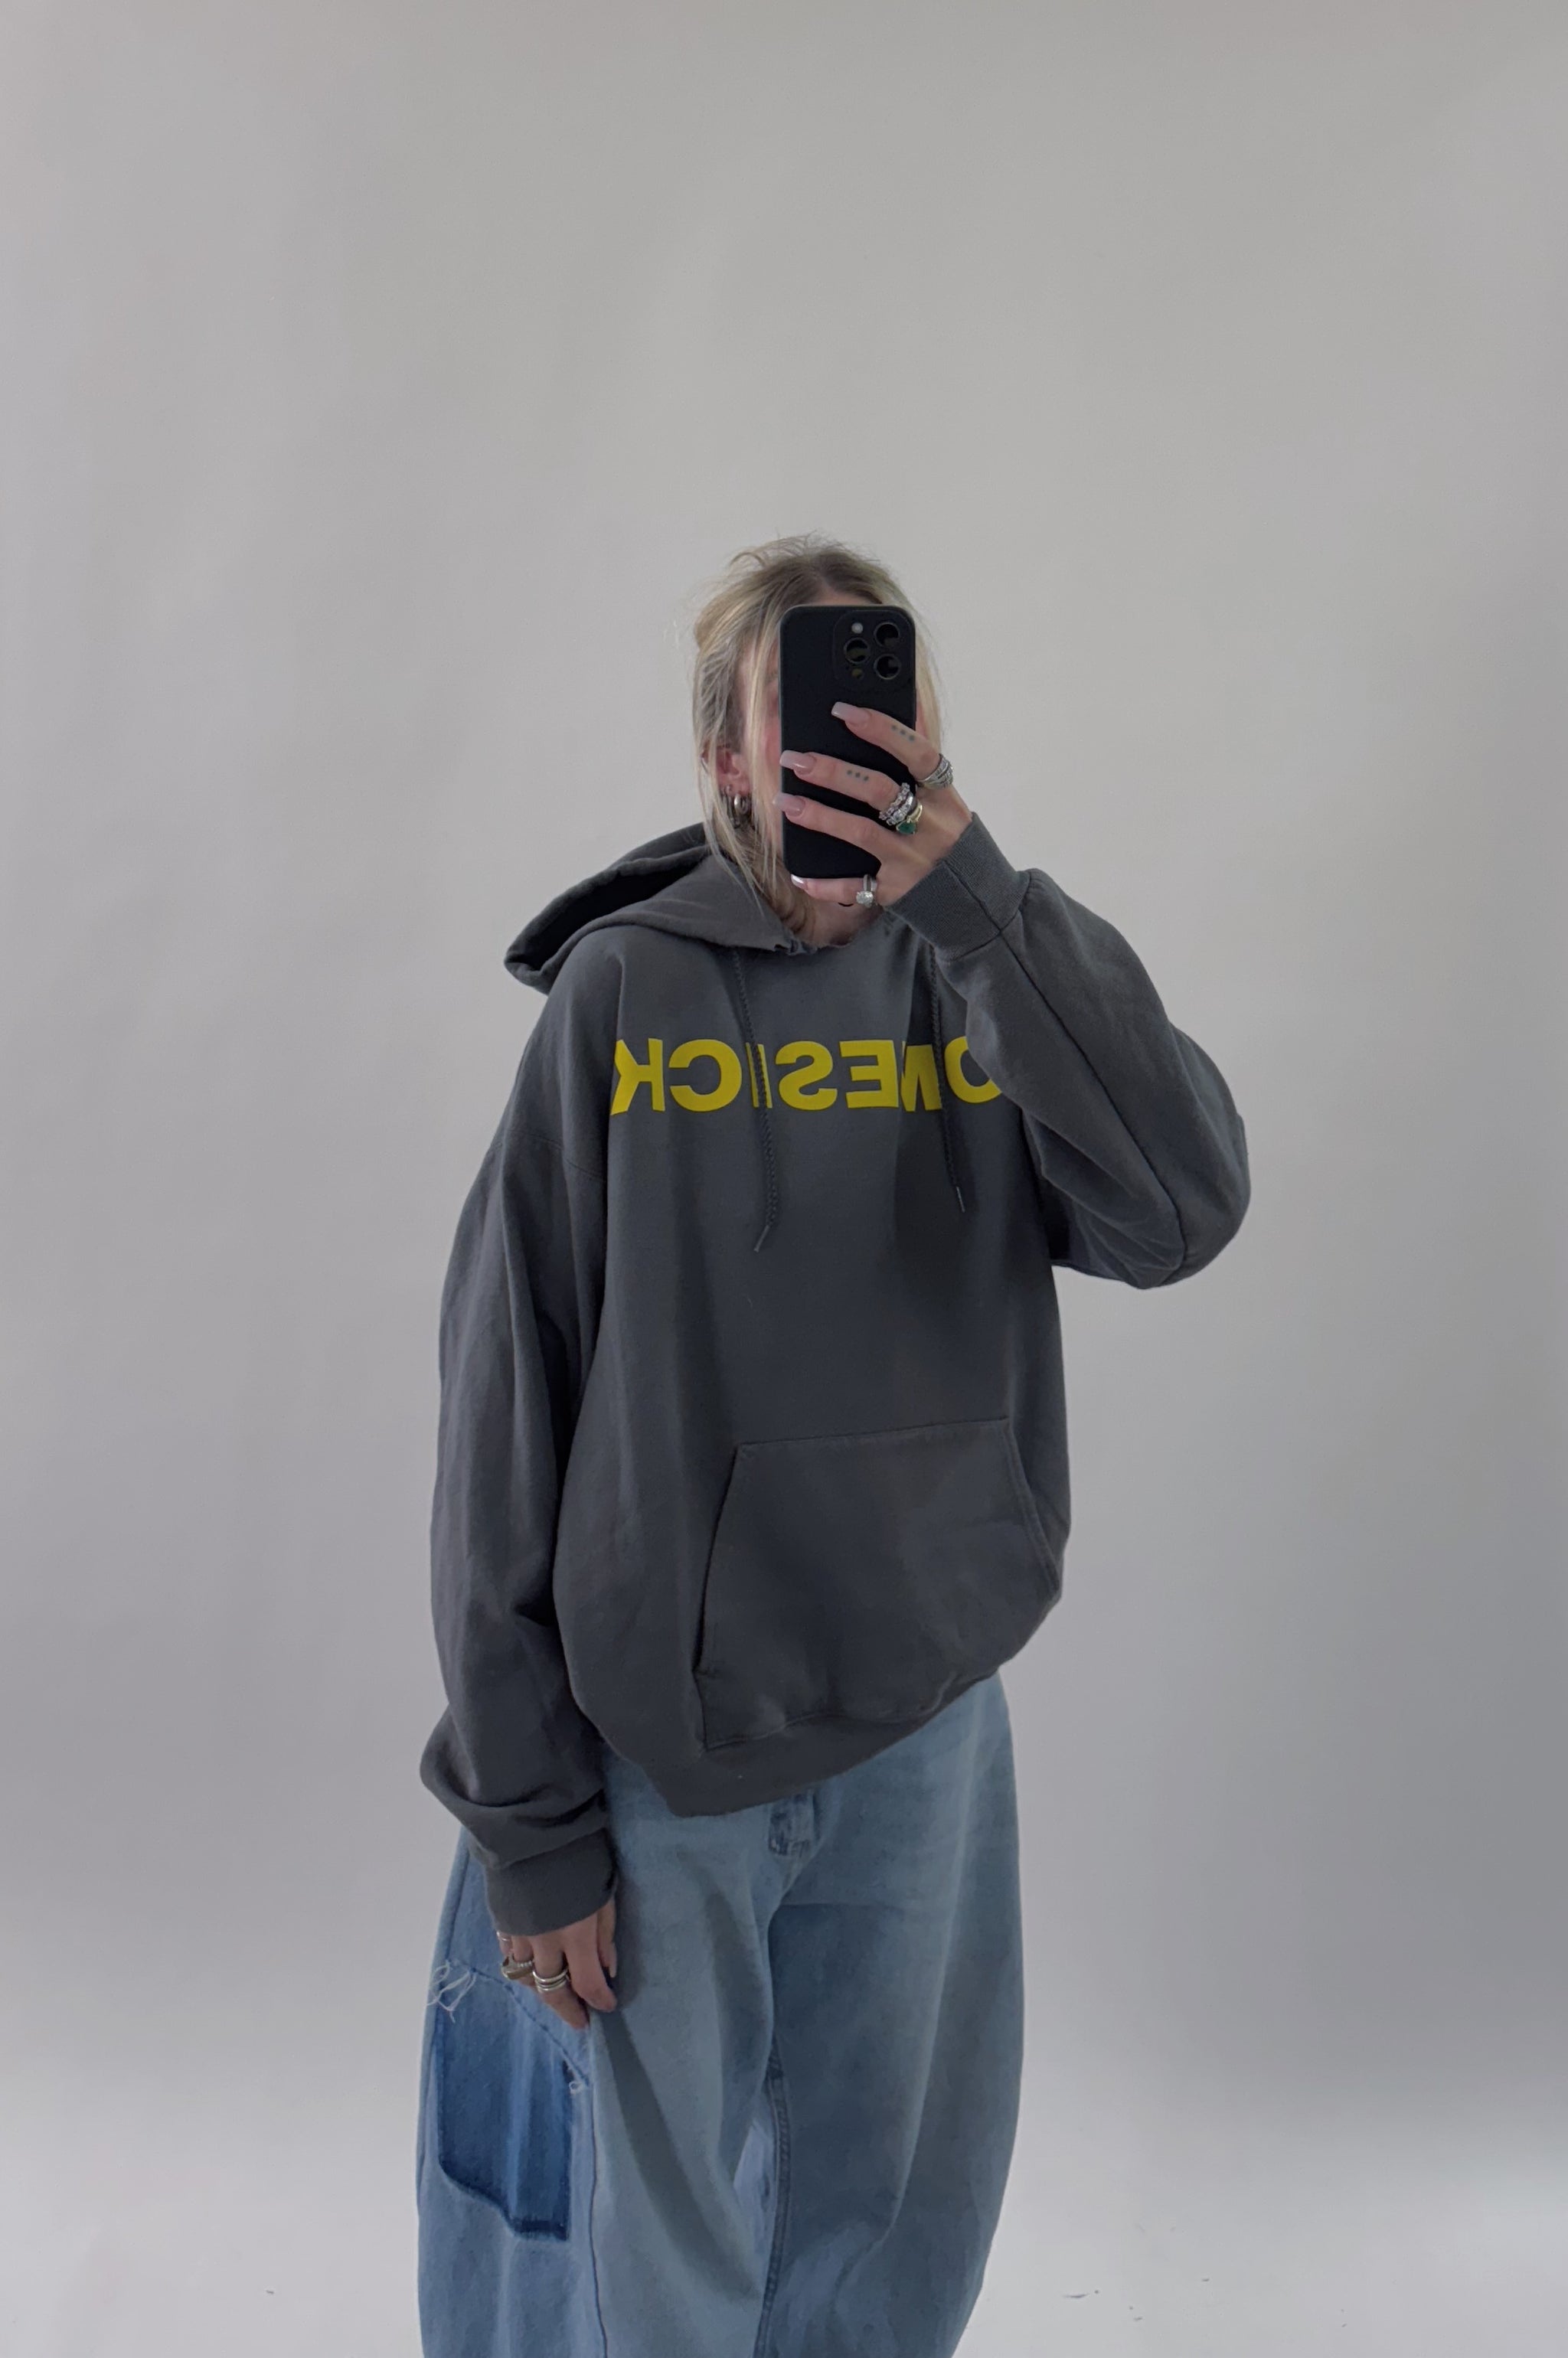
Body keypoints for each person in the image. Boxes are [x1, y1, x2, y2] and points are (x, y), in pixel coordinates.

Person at [413, 534, 1250, 2358]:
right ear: (726, 754)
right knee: (643, 2274)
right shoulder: (622, 997)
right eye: (800, 704)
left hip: (927, 1728)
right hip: (672, 1756)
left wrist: (986, 907)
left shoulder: (990, 977)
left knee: (889, 2245)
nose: (855, 736)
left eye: (888, 689)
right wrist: (529, 1823)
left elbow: (1182, 1212)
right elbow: (503, 1402)